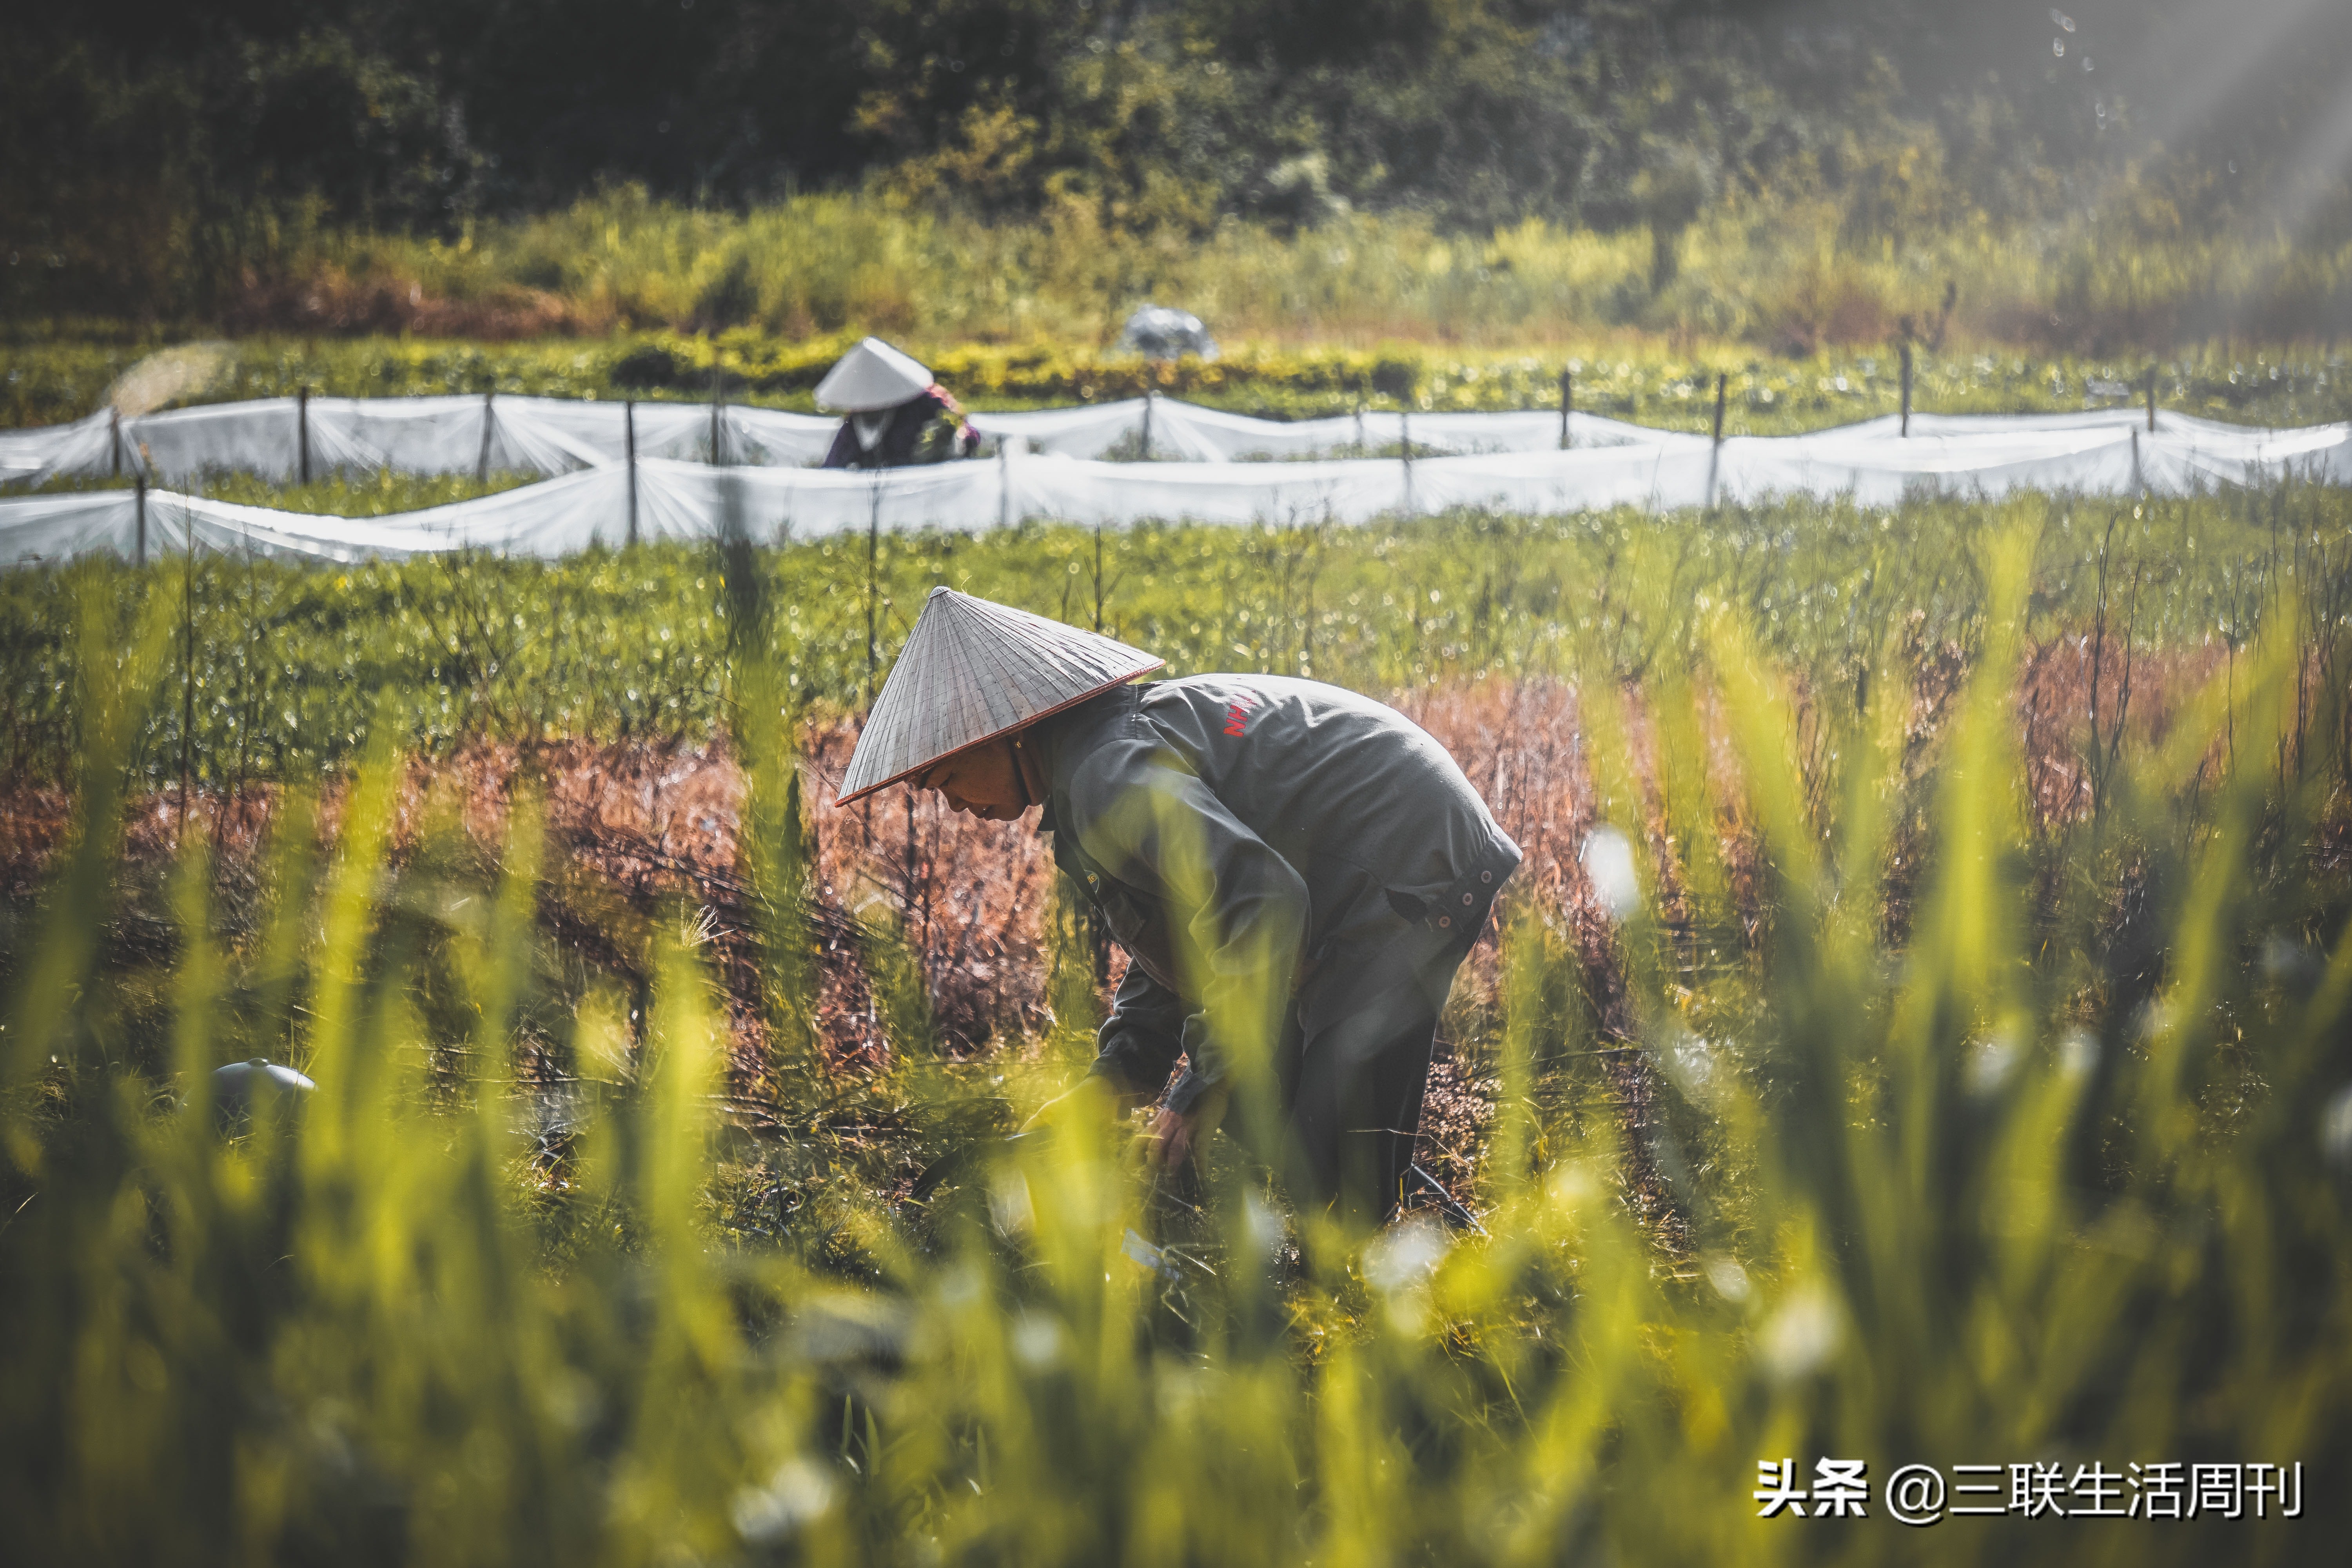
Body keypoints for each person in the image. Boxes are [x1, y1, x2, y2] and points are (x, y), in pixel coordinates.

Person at [836, 588, 1521, 1225]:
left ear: (1007, 731)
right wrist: (1120, 1077)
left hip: (1406, 857)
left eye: (950, 777)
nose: (954, 803)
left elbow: (1262, 902)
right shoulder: (1092, 770)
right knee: (1257, 1104)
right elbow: (1181, 938)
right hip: (1370, 865)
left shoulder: (1107, 773)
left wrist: (1201, 1084)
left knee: (1336, 1173)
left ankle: (1384, 1271)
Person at [815, 337, 980, 469]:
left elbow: (970, 437)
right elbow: (834, 465)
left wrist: (955, 439)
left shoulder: (925, 404)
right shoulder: (856, 422)